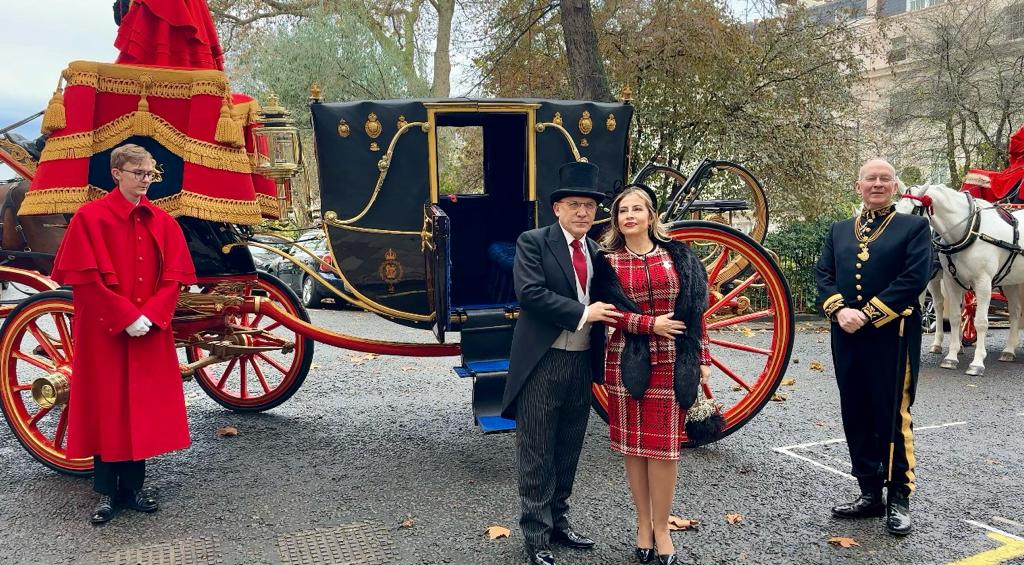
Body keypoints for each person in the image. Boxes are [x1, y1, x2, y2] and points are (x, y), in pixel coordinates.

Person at [50, 144, 197, 524]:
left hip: (150, 329)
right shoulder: (89, 217)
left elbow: (174, 280)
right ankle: (106, 493)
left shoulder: (164, 222)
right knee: (107, 405)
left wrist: (150, 315)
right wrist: (125, 316)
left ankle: (134, 487)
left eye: (150, 174)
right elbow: (84, 282)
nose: (146, 181)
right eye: (138, 173)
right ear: (116, 174)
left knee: (140, 407)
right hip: (105, 331)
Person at [500, 161, 622, 565]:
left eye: (588, 205)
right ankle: (536, 538)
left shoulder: (599, 252)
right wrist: (585, 313)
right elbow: (530, 294)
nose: (583, 212)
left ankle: (559, 522)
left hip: (582, 361)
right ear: (557, 208)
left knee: (569, 447)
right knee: (536, 450)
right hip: (543, 360)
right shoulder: (533, 242)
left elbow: (620, 297)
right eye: (574, 204)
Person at [590, 185, 715, 565]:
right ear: (616, 221)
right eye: (622, 211)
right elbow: (607, 314)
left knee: (664, 451)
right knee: (634, 450)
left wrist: (703, 357)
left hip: (674, 361)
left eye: (637, 209)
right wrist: (649, 324)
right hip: (628, 359)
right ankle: (642, 524)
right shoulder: (607, 262)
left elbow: (695, 312)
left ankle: (662, 529)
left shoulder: (679, 257)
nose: (629, 216)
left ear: (650, 216)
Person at [815, 158, 932, 536]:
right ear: (858, 185)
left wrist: (868, 313)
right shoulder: (838, 230)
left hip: (892, 332)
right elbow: (823, 275)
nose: (878, 184)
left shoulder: (914, 227)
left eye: (885, 178)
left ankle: (899, 496)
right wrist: (838, 310)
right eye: (871, 178)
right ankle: (869, 492)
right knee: (856, 409)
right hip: (846, 333)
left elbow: (914, 276)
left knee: (891, 413)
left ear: (896, 186)